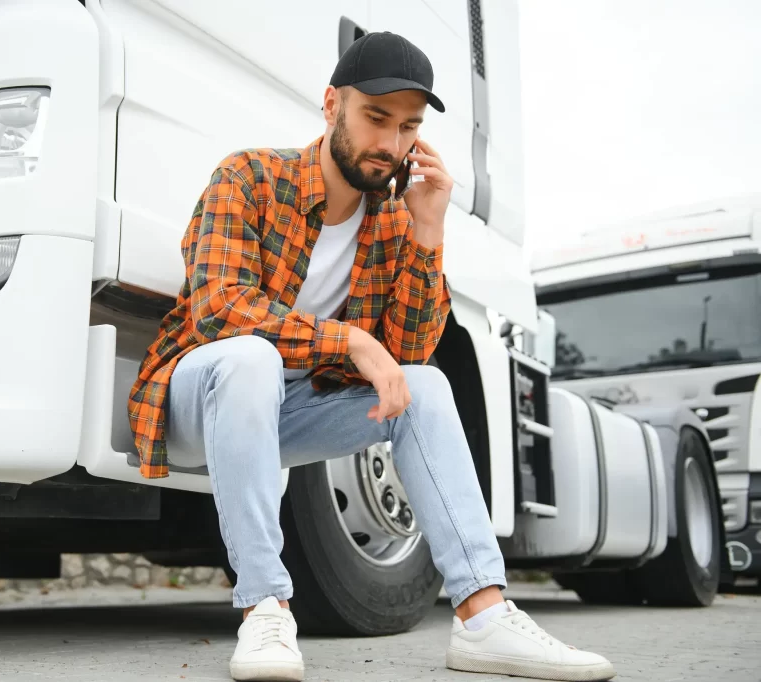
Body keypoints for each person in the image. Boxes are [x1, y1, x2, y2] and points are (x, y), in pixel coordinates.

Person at [128, 31, 616, 682]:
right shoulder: (248, 176)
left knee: (427, 385)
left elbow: (407, 354)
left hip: (296, 412)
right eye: (376, 118)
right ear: (332, 105)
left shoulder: (391, 222)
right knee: (251, 359)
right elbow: (219, 309)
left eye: (408, 127)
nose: (391, 144)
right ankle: (265, 609)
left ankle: (483, 616)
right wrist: (351, 341)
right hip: (204, 395)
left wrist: (428, 229)